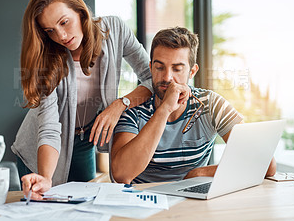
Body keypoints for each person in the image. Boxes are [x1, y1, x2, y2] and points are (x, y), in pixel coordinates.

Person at [11, 0, 152, 199]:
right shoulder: (48, 59)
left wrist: (120, 104)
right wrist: (46, 178)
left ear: (80, 11)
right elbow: (49, 128)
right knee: (46, 208)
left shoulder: (114, 30)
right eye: (50, 30)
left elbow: (152, 77)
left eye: (64, 22)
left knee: (86, 208)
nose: (61, 36)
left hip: (85, 141)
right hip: (43, 148)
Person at [111, 27, 277, 184]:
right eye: (160, 67)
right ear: (151, 68)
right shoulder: (133, 110)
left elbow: (266, 164)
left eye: (177, 69)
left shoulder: (210, 105)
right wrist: (165, 110)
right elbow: (121, 174)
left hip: (192, 202)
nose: (167, 77)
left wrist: (199, 173)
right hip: (145, 203)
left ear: (192, 72)